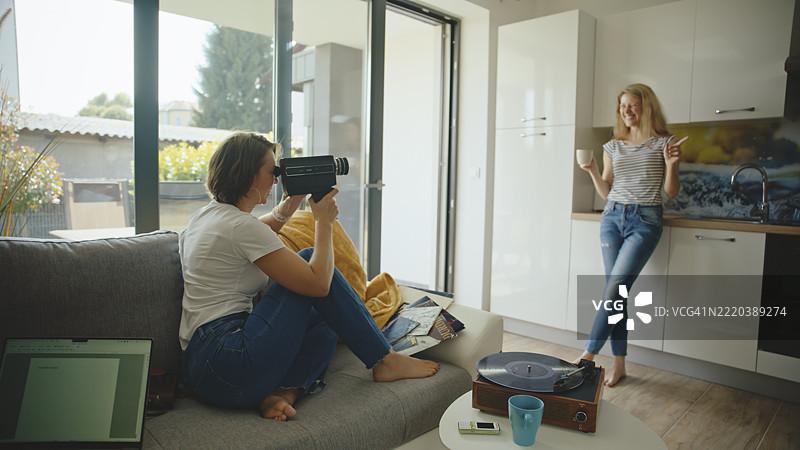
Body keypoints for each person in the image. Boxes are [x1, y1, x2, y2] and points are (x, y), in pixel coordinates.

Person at [178, 132, 439, 420]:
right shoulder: (240, 226)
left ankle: (283, 392)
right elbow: (317, 283)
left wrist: (288, 206)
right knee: (311, 269)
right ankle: (384, 360)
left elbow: (255, 234)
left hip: (202, 370)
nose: (276, 181)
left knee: (328, 314)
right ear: (248, 178)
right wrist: (323, 222)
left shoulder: (205, 217)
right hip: (231, 360)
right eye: (271, 172)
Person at [573, 84, 687, 387]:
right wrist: (594, 171)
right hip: (612, 217)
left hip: (645, 221)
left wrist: (673, 164)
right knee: (617, 293)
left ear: (646, 107)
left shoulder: (665, 143)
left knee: (615, 288)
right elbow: (607, 190)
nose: (627, 111)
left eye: (633, 105)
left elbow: (671, 192)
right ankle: (620, 364)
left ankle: (588, 354)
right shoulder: (613, 145)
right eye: (623, 106)